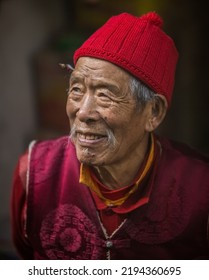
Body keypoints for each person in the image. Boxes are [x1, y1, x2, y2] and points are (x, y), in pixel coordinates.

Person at [11, 11, 209, 260]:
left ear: (153, 112)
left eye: (105, 95)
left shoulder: (201, 190)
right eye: (76, 89)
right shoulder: (33, 173)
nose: (83, 112)